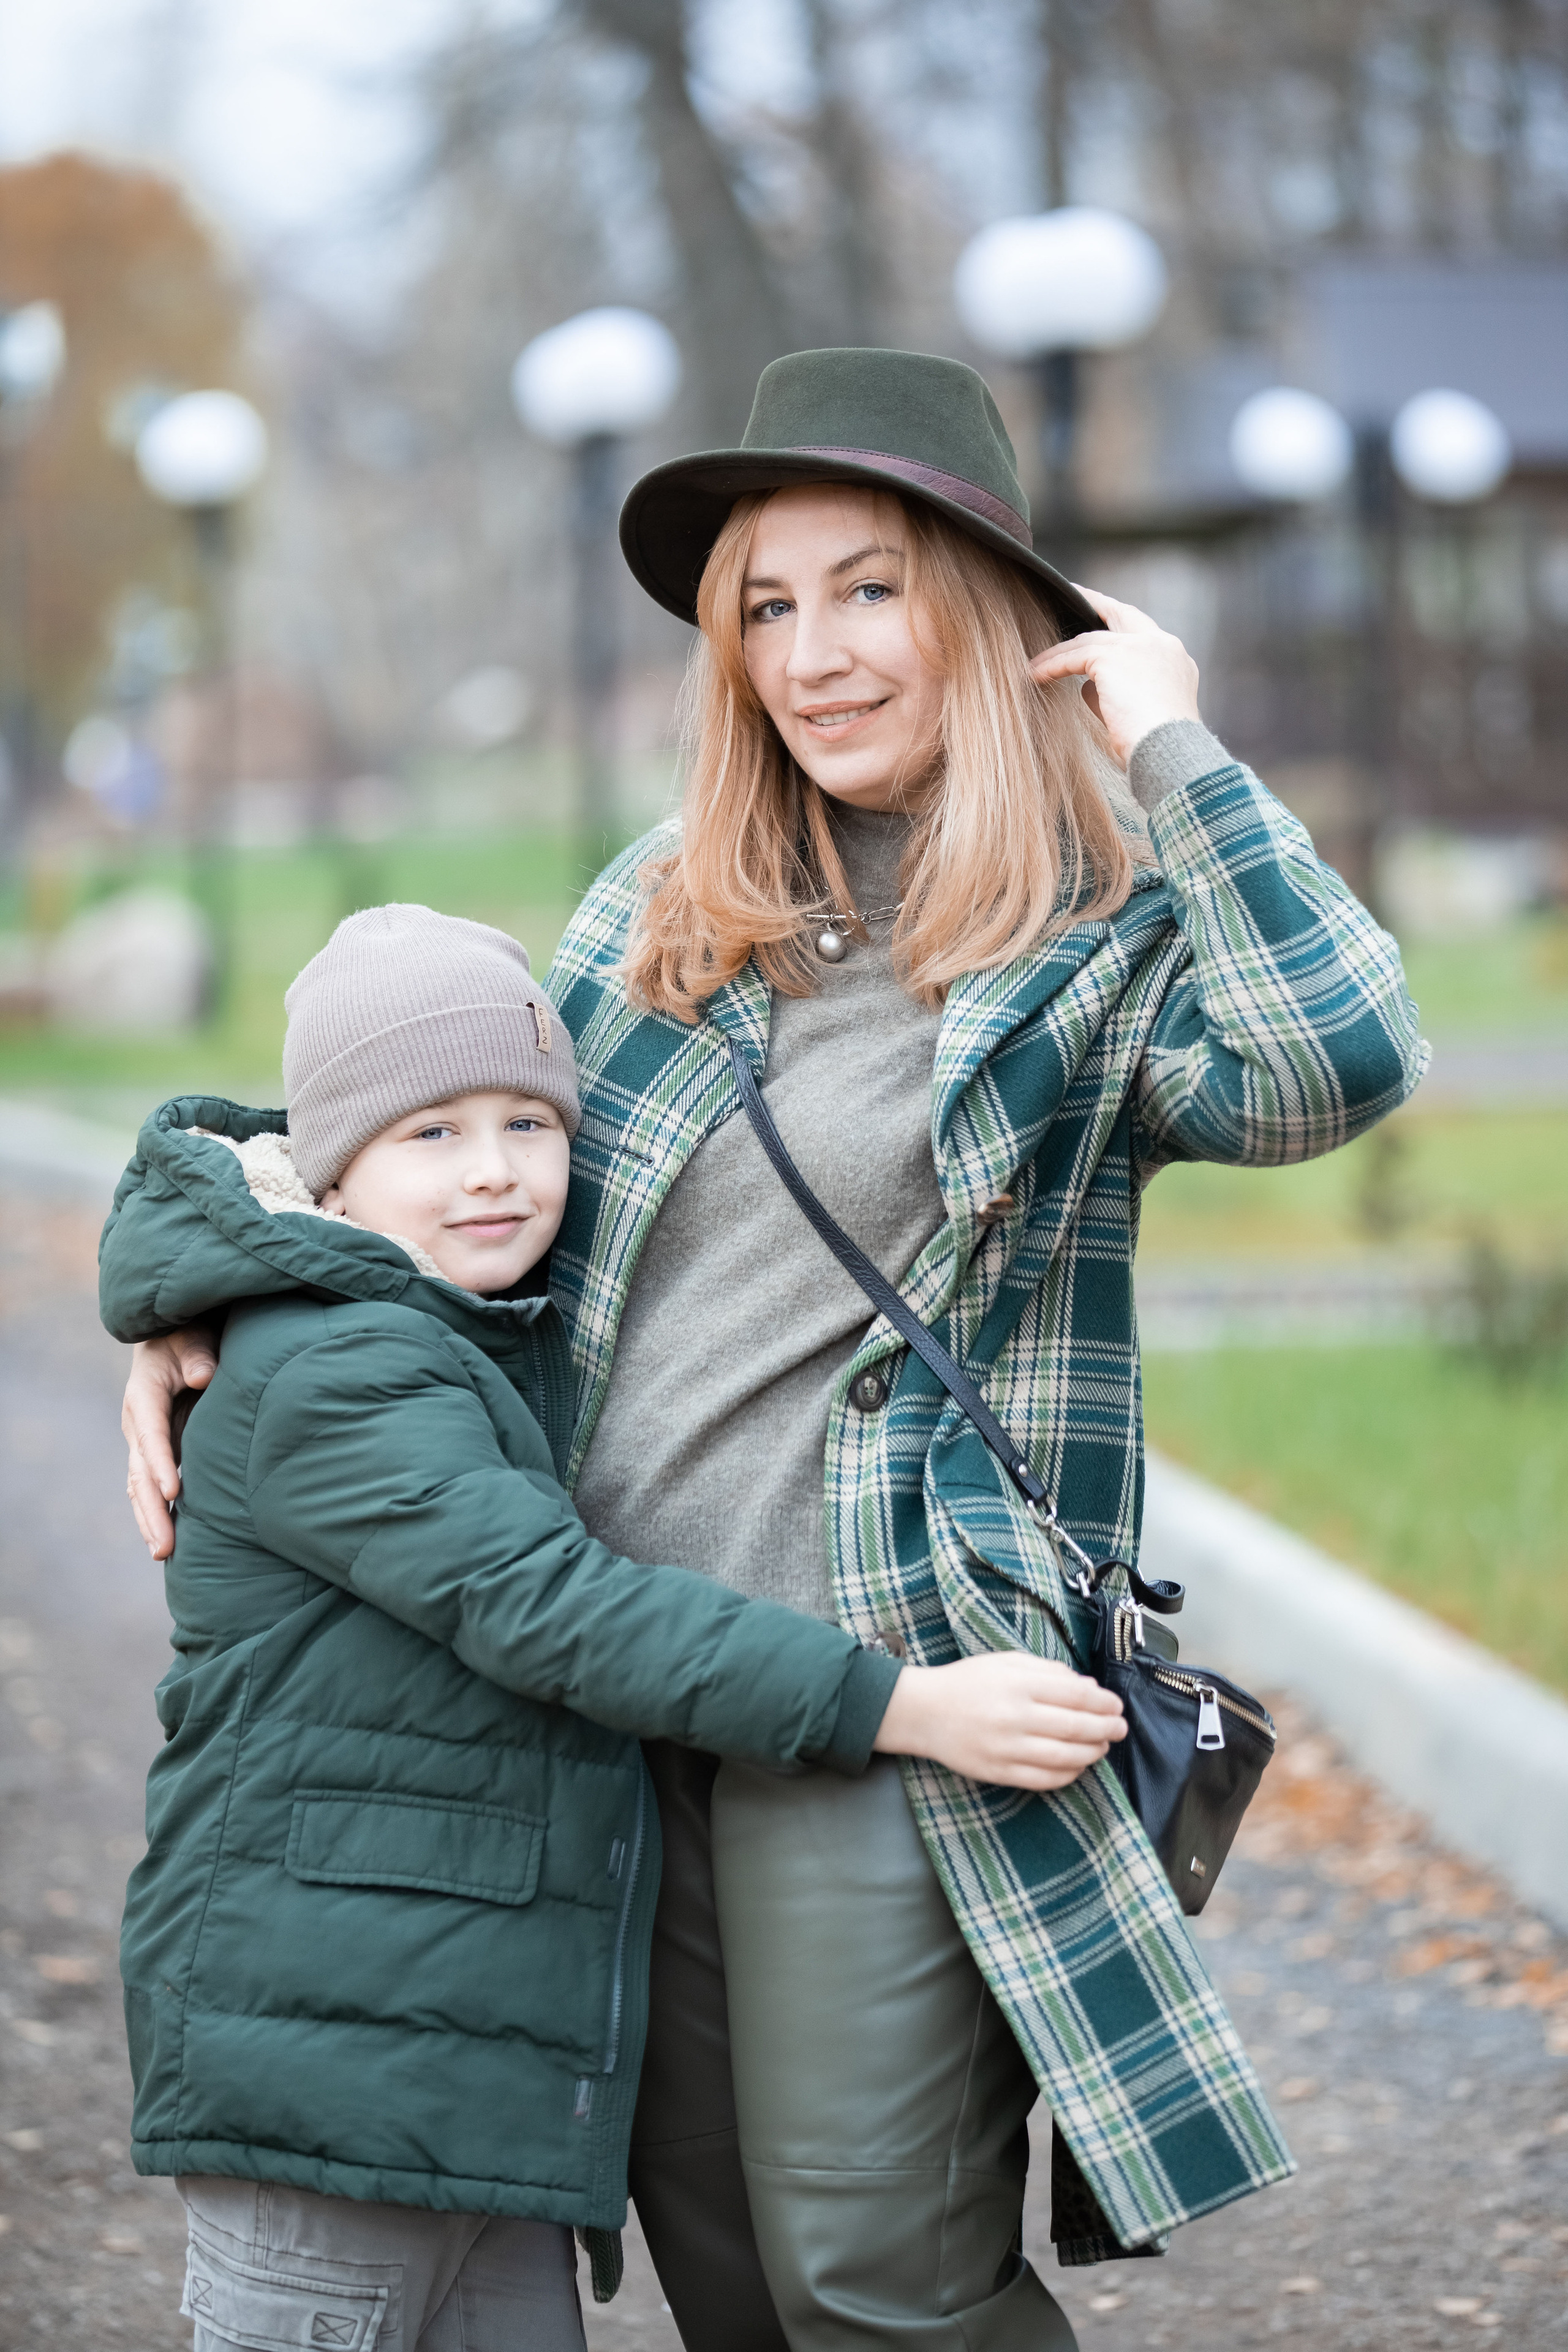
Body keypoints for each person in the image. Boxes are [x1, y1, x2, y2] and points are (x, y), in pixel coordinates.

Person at [123, 349, 1427, 2351]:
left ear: (998, 608)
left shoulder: (1103, 941)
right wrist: (217, 1282)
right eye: (766, 606)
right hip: (613, 1687)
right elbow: (423, 1150)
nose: (814, 654)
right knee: (723, 2272)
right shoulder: (667, 908)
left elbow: (1335, 1059)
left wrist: (1174, 749)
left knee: (869, 2281)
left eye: (872, 587)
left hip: (890, 1692)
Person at [102, 902, 1125, 2352]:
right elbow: (556, 1612)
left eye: (529, 1122)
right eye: (432, 1135)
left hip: (472, 2086)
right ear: (331, 1171)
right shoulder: (343, 1372)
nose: (497, 1175)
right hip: (331, 2078)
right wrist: (907, 1706)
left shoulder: (450, 1334)